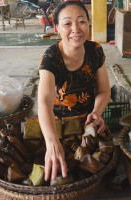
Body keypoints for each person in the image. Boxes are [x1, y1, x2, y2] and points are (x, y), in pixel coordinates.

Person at [38, 1, 110, 182]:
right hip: (59, 128)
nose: (76, 29)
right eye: (68, 23)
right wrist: (52, 142)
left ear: (88, 24)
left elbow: (104, 90)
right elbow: (44, 101)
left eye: (81, 21)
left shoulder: (95, 50)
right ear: (57, 28)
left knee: (104, 169)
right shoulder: (50, 58)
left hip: (89, 125)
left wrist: (97, 112)